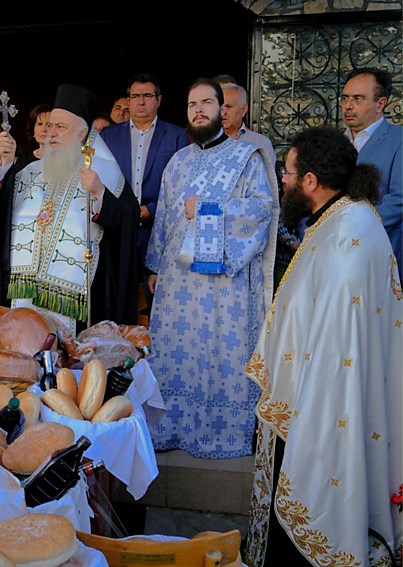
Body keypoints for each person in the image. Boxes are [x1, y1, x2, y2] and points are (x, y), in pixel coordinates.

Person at [244, 126, 401, 567]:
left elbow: (338, 348)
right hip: (309, 392)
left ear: (311, 181)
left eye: (288, 173)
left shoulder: (348, 235)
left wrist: (309, 407)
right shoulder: (342, 218)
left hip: (324, 407)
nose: (284, 182)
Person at [145, 78, 278, 459]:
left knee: (219, 352)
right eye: (192, 104)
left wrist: (205, 210)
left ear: (222, 110)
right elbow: (165, 222)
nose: (199, 110)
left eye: (207, 102)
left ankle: (222, 434)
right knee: (176, 354)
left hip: (225, 286)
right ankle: (171, 427)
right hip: (177, 284)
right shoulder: (177, 161)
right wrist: (154, 266)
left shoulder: (247, 157)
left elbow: (259, 212)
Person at [8, 84, 140, 331]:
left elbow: (129, 220)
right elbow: (0, 217)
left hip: (81, 296)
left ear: (81, 133)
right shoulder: (32, 171)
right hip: (29, 291)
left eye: (60, 127)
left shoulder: (105, 170)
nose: (51, 133)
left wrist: (100, 192)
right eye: (49, 126)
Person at [101, 73, 190, 314]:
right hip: (119, 229)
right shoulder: (108, 137)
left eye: (147, 96)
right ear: (128, 100)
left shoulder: (177, 136)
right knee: (119, 299)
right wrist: (123, 211)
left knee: (157, 301)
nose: (141, 101)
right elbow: (101, 180)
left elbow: (182, 184)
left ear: (158, 100)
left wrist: (152, 209)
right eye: (135, 96)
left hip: (158, 230)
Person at [0, 102, 51, 305]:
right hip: (24, 251)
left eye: (50, 124)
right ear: (33, 131)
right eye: (39, 124)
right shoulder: (22, 163)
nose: (45, 129)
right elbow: (0, 199)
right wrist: (6, 162)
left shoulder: (70, 163)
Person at [341, 67, 401, 277]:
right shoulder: (334, 142)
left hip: (381, 254)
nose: (348, 106)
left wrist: (356, 231)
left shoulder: (398, 140)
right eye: (345, 98)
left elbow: (399, 199)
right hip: (332, 255)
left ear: (381, 103)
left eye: (358, 99)